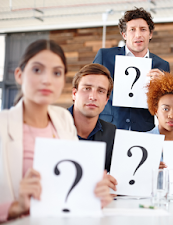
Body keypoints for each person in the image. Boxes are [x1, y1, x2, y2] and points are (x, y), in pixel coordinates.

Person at [0, 40, 113, 222]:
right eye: (37, 70)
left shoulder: (63, 120)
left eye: (57, 73)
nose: (47, 80)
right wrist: (16, 207)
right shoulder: (3, 126)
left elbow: (69, 188)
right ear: (19, 75)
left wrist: (93, 193)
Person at [93, 7, 170, 132]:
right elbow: (91, 89)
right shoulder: (105, 57)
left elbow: (165, 105)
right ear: (124, 35)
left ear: (150, 34)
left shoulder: (162, 65)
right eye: (132, 30)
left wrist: (164, 87)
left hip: (144, 130)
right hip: (107, 127)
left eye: (143, 29)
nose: (138, 35)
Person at [68, 64, 117, 176]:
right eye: (87, 88)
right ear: (74, 94)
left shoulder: (111, 133)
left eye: (100, 91)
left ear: (106, 99)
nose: (92, 97)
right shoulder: (52, 125)